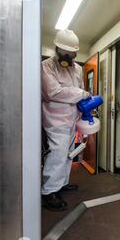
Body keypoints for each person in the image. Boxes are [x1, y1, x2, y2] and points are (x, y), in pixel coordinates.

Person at [41, 29, 90, 211]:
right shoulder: (47, 66)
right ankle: (48, 193)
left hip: (72, 118)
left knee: (69, 154)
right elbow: (53, 92)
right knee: (57, 156)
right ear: (57, 49)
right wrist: (81, 94)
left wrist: (84, 104)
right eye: (66, 54)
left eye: (72, 54)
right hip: (55, 119)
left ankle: (60, 184)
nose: (69, 57)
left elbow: (80, 89)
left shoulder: (77, 68)